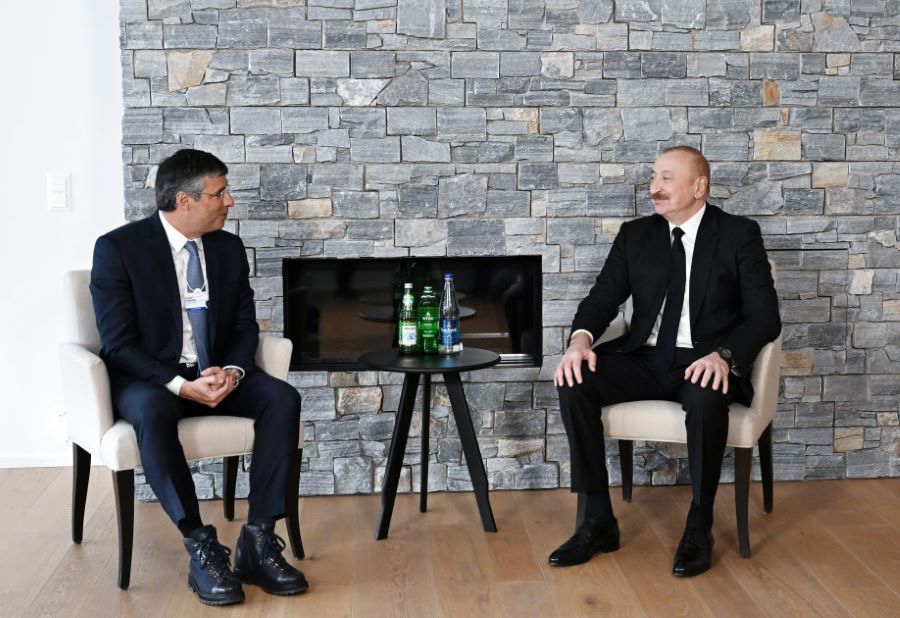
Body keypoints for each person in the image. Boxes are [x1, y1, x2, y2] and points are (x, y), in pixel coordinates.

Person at [549, 146, 781, 577]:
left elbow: (765, 316)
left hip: (704, 360)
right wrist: (580, 341)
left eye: (667, 178)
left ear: (699, 186)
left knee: (707, 396)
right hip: (644, 357)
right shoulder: (635, 235)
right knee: (574, 379)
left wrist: (725, 356)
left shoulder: (738, 234)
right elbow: (602, 299)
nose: (654, 187)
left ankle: (699, 525)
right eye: (653, 177)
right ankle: (597, 519)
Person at [90, 149, 307, 605]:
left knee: (282, 398)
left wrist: (232, 371)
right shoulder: (118, 249)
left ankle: (259, 540)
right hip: (151, 379)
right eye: (219, 192)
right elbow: (118, 345)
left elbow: (245, 325)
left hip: (214, 371)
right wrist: (179, 384)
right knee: (152, 409)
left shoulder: (227, 248)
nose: (229, 201)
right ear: (184, 200)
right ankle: (200, 544)